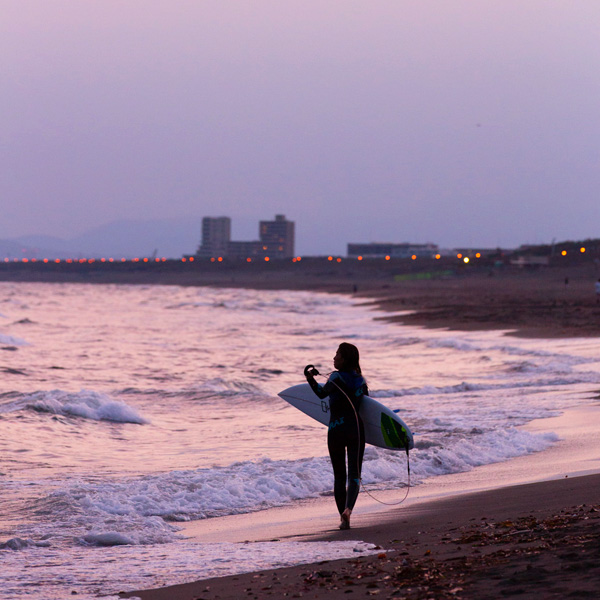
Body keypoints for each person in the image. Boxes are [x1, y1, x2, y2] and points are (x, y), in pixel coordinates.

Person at [304, 342, 368, 530]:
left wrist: (310, 378)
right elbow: (368, 406)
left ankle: (343, 518)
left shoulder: (336, 377)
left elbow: (321, 394)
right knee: (355, 475)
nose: (334, 357)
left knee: (340, 476)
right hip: (356, 429)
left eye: (337, 354)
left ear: (345, 358)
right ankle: (348, 509)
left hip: (336, 430)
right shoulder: (361, 380)